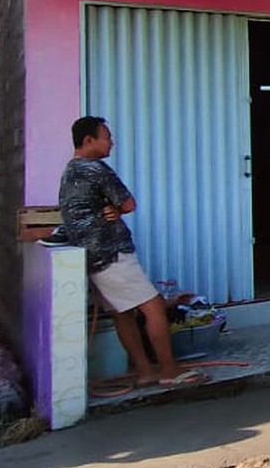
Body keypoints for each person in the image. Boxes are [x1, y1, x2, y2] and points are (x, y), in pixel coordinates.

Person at [58, 115, 205, 388]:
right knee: (153, 309)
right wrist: (116, 208)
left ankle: (145, 371)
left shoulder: (70, 171)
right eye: (106, 136)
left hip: (92, 257)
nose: (111, 142)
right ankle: (169, 370)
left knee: (122, 313)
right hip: (111, 252)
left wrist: (110, 208)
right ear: (89, 140)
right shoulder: (95, 169)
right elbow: (128, 204)